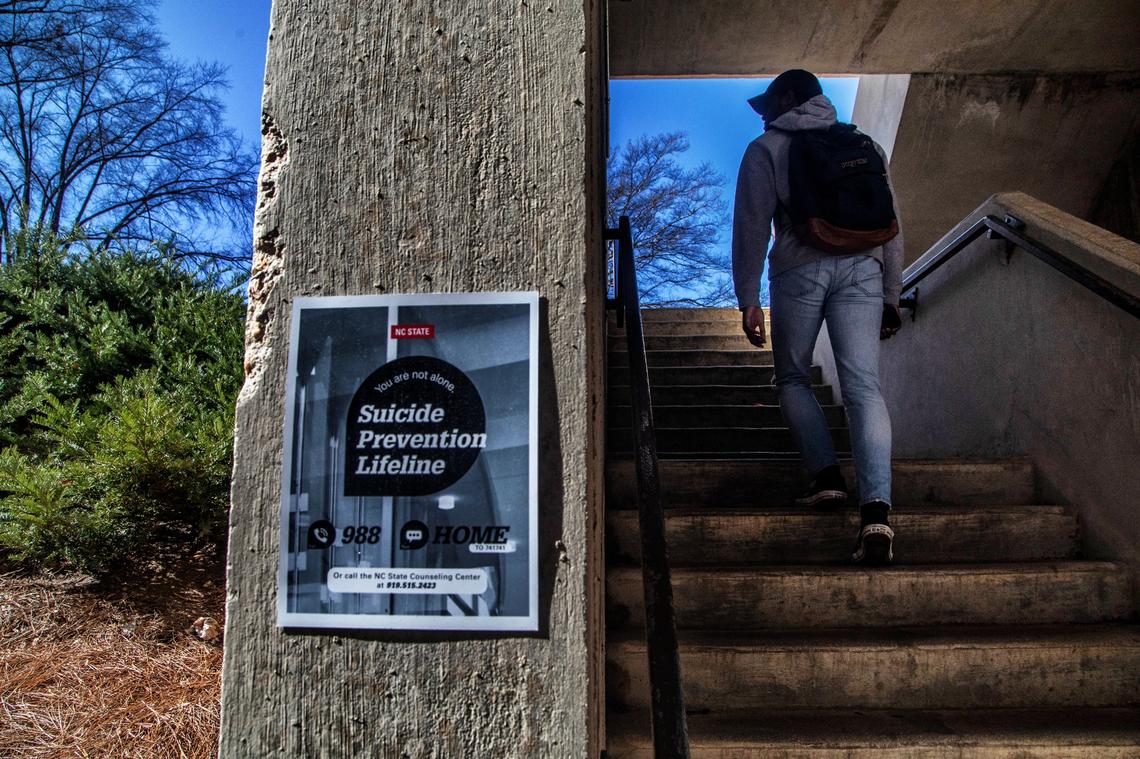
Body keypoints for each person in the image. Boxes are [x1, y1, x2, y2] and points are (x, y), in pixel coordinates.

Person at [731, 69, 903, 566]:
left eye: (768, 102)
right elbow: (892, 223)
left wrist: (747, 298)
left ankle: (826, 478)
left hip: (799, 265)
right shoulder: (863, 144)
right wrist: (892, 292)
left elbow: (751, 224)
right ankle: (876, 514)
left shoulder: (766, 149)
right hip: (865, 269)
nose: (764, 112)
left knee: (791, 376)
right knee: (863, 388)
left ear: (789, 97)